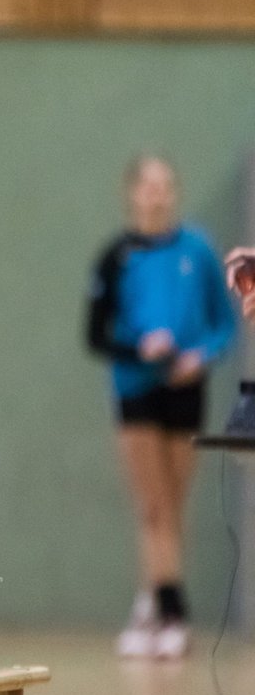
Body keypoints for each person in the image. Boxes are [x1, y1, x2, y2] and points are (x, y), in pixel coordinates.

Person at [85, 155, 236, 659]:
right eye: (148, 186)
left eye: (166, 185)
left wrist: (201, 355)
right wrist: (138, 348)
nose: (158, 194)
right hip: (136, 389)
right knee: (152, 505)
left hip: (186, 388)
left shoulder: (198, 250)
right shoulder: (116, 256)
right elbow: (96, 334)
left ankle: (153, 599)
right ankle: (173, 612)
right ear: (132, 193)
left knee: (173, 505)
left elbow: (223, 323)